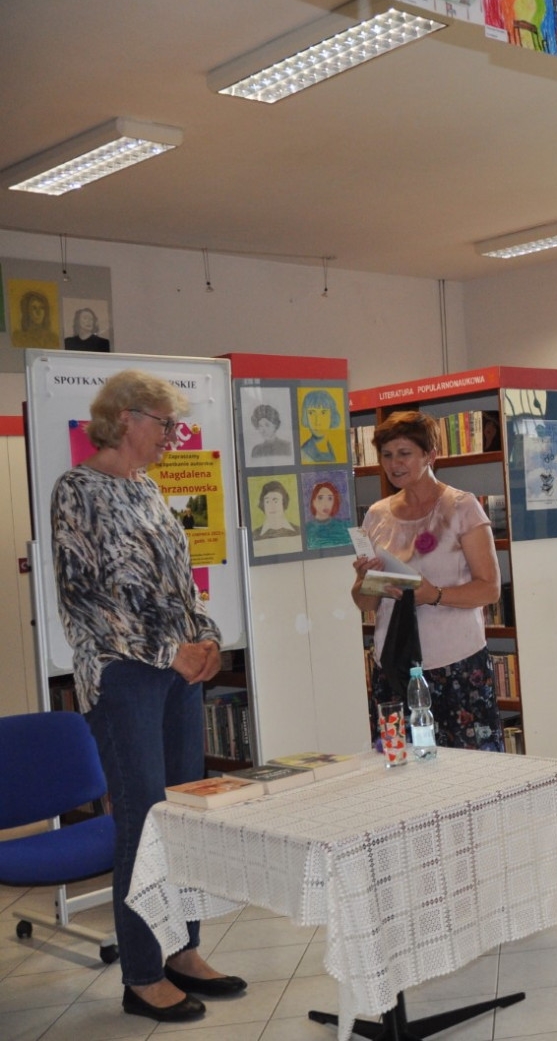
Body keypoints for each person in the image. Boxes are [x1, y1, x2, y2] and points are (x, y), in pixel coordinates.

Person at [49, 370, 247, 1024]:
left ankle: (183, 950)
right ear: (127, 418)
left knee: (184, 814)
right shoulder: (78, 489)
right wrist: (169, 652)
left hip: (176, 673)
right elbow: (85, 600)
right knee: (144, 820)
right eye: (166, 424)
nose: (173, 436)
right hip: (124, 675)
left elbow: (179, 586)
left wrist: (207, 637)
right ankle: (141, 974)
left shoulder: (148, 488)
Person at [352, 411, 505, 750]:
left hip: (456, 664)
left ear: (430, 455)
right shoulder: (376, 515)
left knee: (469, 769)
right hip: (394, 664)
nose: (394, 464)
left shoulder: (462, 507)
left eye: (404, 453)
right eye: (386, 455)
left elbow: (490, 589)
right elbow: (365, 603)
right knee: (400, 764)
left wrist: (433, 595)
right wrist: (366, 580)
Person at [299, 389, 345, 464]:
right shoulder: (303, 453)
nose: (318, 422)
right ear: (305, 416)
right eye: (311, 413)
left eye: (323, 413)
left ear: (332, 415)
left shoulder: (334, 448)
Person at [303, 480, 349, 549]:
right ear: (313, 501)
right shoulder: (306, 529)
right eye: (320, 498)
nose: (325, 504)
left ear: (334, 502)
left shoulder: (344, 527)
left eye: (330, 498)